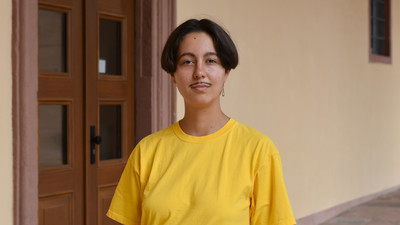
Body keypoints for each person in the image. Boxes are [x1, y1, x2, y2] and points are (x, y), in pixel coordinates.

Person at [107, 18, 296, 225]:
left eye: (211, 61)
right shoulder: (147, 152)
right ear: (173, 74)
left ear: (226, 72)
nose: (199, 72)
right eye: (187, 61)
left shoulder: (258, 150)